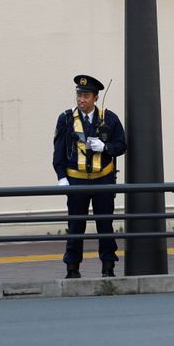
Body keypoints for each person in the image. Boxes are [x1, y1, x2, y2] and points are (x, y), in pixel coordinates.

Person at [53, 74, 126, 279]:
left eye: (86, 96)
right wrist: (61, 177)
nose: (81, 100)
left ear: (95, 97)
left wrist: (106, 148)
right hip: (76, 179)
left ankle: (108, 267)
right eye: (79, 95)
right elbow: (58, 150)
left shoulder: (109, 118)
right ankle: (72, 268)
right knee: (76, 225)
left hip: (103, 179)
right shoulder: (66, 118)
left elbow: (122, 145)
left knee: (105, 224)